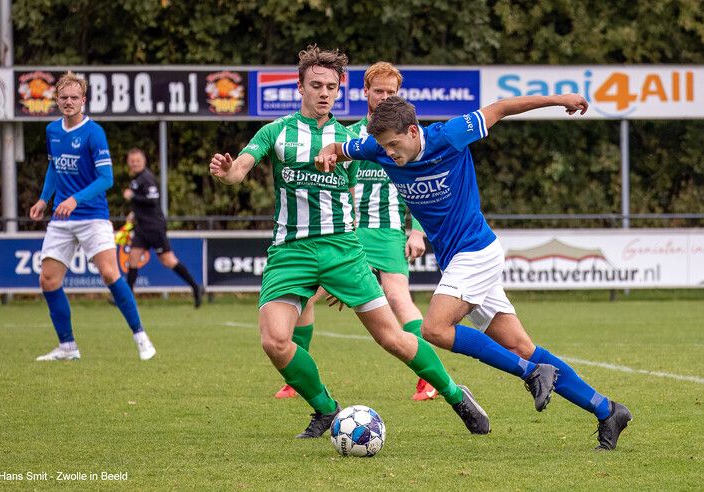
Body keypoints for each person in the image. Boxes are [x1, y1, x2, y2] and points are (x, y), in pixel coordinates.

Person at [209, 45, 555, 438]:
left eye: (331, 87)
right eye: (316, 85)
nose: (324, 93)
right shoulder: (276, 131)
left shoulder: (356, 138)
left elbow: (413, 172)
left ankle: (455, 394)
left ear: (340, 90)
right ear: (300, 86)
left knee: (393, 337)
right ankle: (324, 408)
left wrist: (413, 230)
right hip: (290, 252)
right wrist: (226, 172)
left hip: (343, 250)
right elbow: (240, 170)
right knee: (275, 340)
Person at [316, 94, 632, 450]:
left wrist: (560, 100)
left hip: (476, 252)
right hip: (458, 261)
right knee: (521, 346)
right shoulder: (375, 148)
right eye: (383, 146)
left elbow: (500, 108)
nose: (389, 153)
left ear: (413, 130)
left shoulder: (449, 135)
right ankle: (607, 410)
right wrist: (329, 152)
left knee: (434, 328)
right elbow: (339, 147)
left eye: (393, 144)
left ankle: (531, 374)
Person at [275, 62, 437, 402]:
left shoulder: (405, 136)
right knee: (305, 291)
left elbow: (419, 183)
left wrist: (417, 231)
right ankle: (295, 376)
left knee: (397, 296)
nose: (384, 97)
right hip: (349, 231)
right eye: (378, 91)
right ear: (365, 92)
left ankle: (428, 380)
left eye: (391, 92)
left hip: (389, 229)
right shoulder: (345, 137)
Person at [29, 71, 156, 361]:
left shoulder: (93, 132)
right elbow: (54, 168)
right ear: (57, 100)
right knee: (48, 280)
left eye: (75, 97)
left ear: (83, 100)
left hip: (93, 216)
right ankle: (67, 347)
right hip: (62, 218)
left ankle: (141, 337)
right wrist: (42, 199)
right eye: (64, 97)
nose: (69, 102)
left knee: (110, 273)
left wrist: (75, 199)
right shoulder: (52, 131)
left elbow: (106, 179)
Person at [123, 148, 203, 308]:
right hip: (141, 227)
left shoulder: (147, 178)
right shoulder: (136, 179)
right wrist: (134, 213)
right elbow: (143, 203)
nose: (135, 163)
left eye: (137, 160)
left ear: (144, 161)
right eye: (132, 161)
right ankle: (127, 299)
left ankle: (196, 287)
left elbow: (152, 200)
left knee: (168, 260)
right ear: (128, 163)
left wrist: (133, 197)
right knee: (132, 259)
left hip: (154, 228)